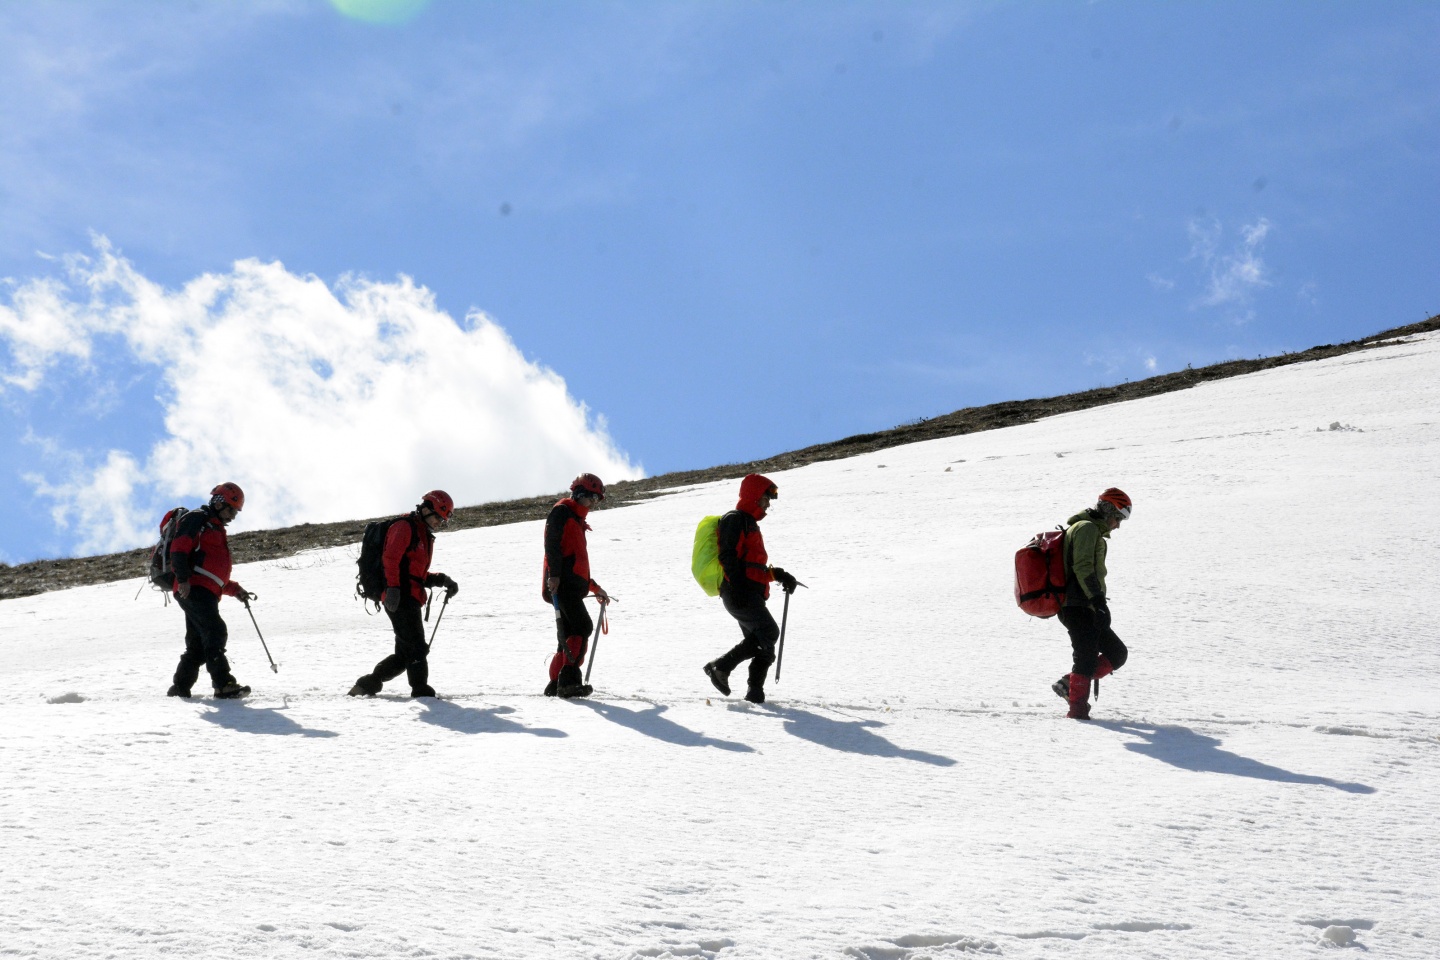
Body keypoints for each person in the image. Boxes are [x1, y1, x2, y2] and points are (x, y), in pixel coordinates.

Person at [349, 490, 459, 698]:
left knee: (404, 654)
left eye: (442, 520)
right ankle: (421, 691)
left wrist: (441, 579)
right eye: (437, 517)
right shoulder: (404, 527)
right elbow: (390, 560)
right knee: (416, 647)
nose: (439, 523)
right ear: (426, 509)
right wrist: (392, 591)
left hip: (408, 596)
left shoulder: (421, 533)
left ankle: (366, 685)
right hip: (399, 598)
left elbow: (415, 573)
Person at [703, 473, 798, 704]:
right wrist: (737, 586)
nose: (768, 504)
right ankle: (720, 667)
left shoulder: (750, 524)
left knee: (764, 646)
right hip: (738, 592)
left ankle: (755, 693)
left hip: (748, 592)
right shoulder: (734, 519)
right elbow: (728, 556)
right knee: (769, 633)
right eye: (766, 498)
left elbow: (753, 566)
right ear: (755, 495)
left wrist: (778, 575)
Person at [166, 482, 254, 699]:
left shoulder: (214, 527)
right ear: (218, 502)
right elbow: (179, 548)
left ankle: (179, 689)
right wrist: (184, 579)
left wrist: (236, 590)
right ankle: (223, 683)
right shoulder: (197, 519)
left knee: (197, 645)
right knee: (215, 631)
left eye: (236, 511)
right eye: (231, 509)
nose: (233, 515)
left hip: (201, 589)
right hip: (193, 588)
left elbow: (213, 576)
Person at [1051, 487, 1132, 720]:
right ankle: (1076, 712)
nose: (1118, 525)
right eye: (1118, 518)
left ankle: (1069, 684)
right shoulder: (1086, 529)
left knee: (1116, 653)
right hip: (1076, 605)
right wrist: (1097, 600)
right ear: (1109, 511)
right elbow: (1083, 567)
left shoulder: (1090, 530)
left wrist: (1097, 604)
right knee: (1085, 657)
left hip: (1085, 604)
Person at [542, 473, 611, 698]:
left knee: (569, 634)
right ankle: (568, 682)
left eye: (596, 499)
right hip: (561, 586)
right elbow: (551, 545)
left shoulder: (578, 521)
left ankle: (555, 683)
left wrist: (595, 588)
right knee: (583, 627)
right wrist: (553, 576)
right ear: (580, 493)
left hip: (568, 585)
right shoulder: (562, 512)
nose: (593, 503)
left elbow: (578, 565)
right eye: (591, 497)